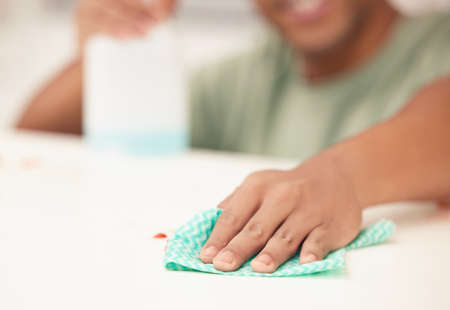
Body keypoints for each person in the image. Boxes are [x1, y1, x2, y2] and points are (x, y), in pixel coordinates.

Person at [16, 0, 450, 273]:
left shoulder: (436, 44)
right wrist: (104, 43)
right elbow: (32, 141)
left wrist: (340, 178)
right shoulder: (246, 79)